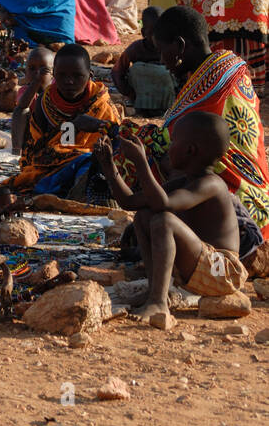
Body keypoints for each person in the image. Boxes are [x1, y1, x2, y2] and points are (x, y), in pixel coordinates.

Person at [97, 112, 245, 329]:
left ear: (190, 150)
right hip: (203, 267)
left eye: (173, 141)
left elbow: (163, 205)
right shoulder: (185, 181)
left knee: (163, 221)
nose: (168, 147)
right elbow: (130, 202)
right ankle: (156, 290)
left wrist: (141, 162)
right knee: (144, 216)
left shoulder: (212, 184)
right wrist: (110, 169)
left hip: (222, 272)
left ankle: (158, 303)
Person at [132, 5, 269, 235]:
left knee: (140, 153)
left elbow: (170, 142)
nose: (161, 59)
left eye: (161, 50)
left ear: (180, 46)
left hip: (234, 201)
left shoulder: (212, 85)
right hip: (258, 195)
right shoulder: (225, 69)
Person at [6, 43, 120, 195]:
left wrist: (98, 125)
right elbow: (36, 151)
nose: (69, 81)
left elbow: (118, 142)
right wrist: (74, 126)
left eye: (77, 76)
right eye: (62, 75)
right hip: (54, 167)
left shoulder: (101, 104)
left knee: (94, 165)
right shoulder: (45, 103)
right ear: (54, 74)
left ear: (90, 76)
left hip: (96, 162)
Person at [112, 6, 173, 115]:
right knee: (136, 69)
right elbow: (117, 71)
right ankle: (144, 108)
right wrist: (129, 93)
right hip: (142, 98)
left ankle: (165, 108)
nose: (157, 37)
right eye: (153, 32)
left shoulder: (171, 48)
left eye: (161, 31)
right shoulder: (136, 49)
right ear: (144, 33)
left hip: (167, 100)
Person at [10, 46, 55, 156]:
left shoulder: (56, 90)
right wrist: (37, 82)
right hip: (32, 136)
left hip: (53, 133)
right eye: (32, 68)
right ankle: (17, 150)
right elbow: (22, 105)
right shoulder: (25, 90)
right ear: (25, 72)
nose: (37, 72)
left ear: (53, 73)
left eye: (43, 69)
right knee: (19, 112)